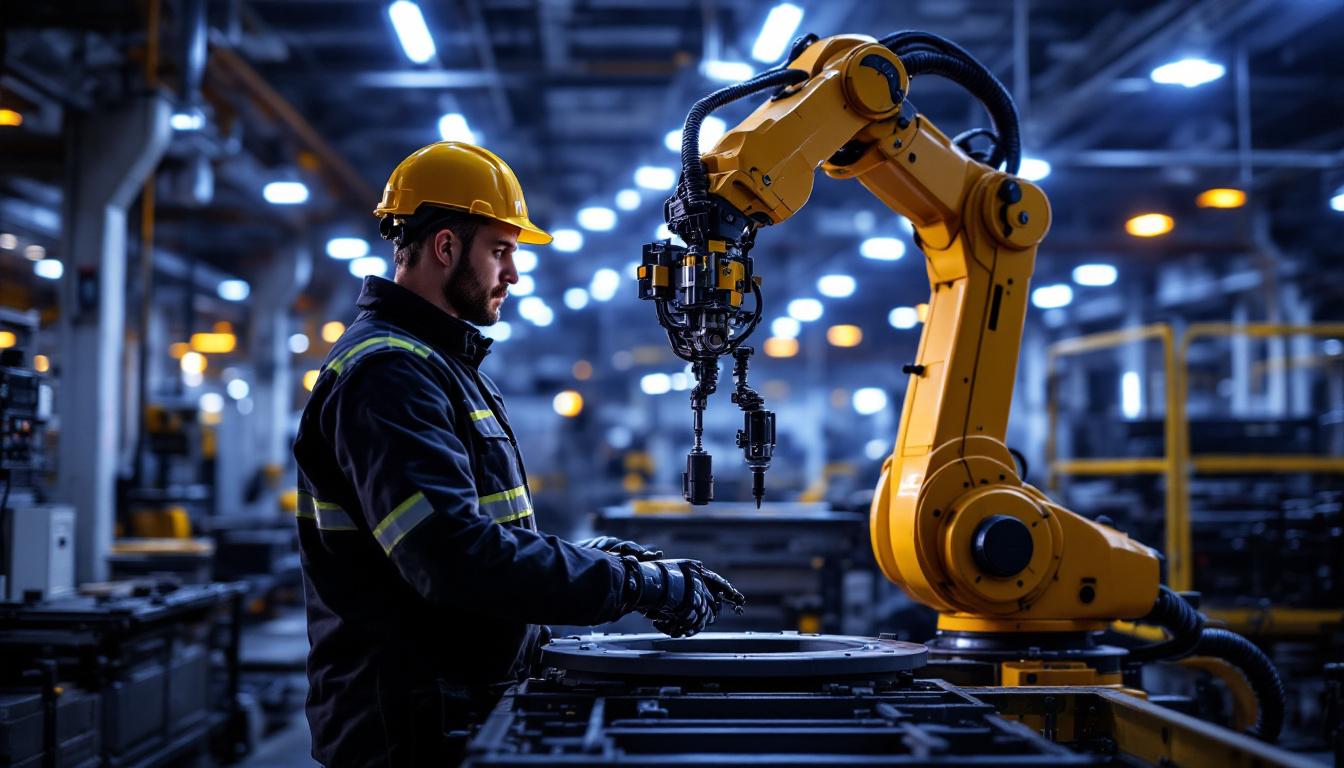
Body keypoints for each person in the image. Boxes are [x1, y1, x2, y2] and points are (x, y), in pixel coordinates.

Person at [291, 141, 744, 766]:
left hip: (454, 705)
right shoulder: (388, 374)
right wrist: (633, 585)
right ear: (446, 247)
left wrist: (592, 559)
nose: (514, 273)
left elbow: (482, 530)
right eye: (501, 251)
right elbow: (452, 559)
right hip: (410, 726)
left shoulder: (443, 365)